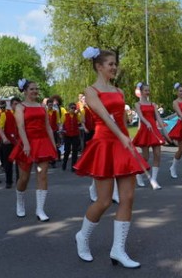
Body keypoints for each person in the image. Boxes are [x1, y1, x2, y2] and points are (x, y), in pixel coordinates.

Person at [74, 47, 148, 269]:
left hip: (122, 144)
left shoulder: (119, 91)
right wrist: (122, 137)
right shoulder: (90, 91)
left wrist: (128, 140)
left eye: (115, 64)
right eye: (110, 64)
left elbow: (123, 121)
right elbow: (105, 117)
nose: (115, 67)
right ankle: (82, 236)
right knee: (104, 201)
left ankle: (118, 249)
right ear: (99, 66)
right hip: (104, 144)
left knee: (128, 198)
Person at [9, 79, 58, 221]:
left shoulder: (42, 106)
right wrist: (26, 144)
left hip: (42, 143)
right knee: (24, 178)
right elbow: (20, 127)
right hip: (27, 143)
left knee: (42, 175)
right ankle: (20, 202)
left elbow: (48, 126)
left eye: (36, 88)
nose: (35, 91)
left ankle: (40, 210)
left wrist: (53, 144)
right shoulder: (20, 107)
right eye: (32, 89)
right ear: (25, 91)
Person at [132, 82, 168, 189]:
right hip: (145, 130)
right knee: (145, 157)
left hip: (154, 130)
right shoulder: (137, 104)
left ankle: (154, 179)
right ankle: (138, 175)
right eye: (145, 90)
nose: (147, 92)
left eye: (148, 90)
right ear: (141, 92)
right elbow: (141, 116)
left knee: (157, 154)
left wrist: (164, 130)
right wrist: (146, 122)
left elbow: (158, 118)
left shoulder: (153, 104)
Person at [0, 97, 21, 188]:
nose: (17, 106)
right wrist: (4, 138)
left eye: (18, 104)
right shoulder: (5, 114)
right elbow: (0, 128)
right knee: (8, 163)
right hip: (8, 142)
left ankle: (19, 181)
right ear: (11, 105)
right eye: (15, 104)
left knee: (19, 163)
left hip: (19, 142)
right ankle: (9, 181)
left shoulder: (22, 115)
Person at [61, 102, 82, 171]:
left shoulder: (77, 115)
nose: (73, 109)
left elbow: (82, 121)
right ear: (69, 108)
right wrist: (62, 130)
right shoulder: (65, 115)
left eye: (74, 108)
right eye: (72, 108)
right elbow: (61, 124)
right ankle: (64, 163)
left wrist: (80, 113)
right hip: (67, 135)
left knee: (75, 151)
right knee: (67, 151)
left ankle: (73, 166)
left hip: (75, 135)